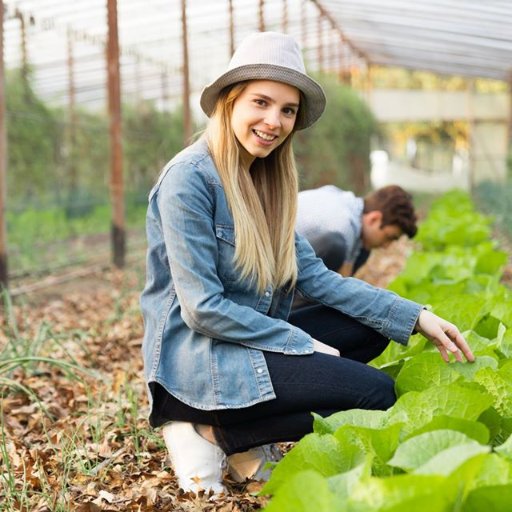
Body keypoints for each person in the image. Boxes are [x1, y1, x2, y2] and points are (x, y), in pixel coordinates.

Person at [140, 31, 474, 496]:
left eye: (287, 110)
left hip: (242, 343)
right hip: (198, 361)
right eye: (261, 102)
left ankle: (235, 436)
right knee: (375, 392)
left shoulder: (265, 180)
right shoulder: (189, 180)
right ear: (230, 102)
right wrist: (300, 342)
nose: (273, 121)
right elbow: (202, 308)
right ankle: (208, 428)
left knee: (373, 326)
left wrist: (415, 315)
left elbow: (316, 278)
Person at [293, 184, 416, 309]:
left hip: (293, 262)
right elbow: (343, 288)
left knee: (363, 249)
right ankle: (292, 313)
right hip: (277, 275)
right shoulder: (342, 225)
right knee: (335, 246)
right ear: (374, 219)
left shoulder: (347, 202)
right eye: (389, 237)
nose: (386, 246)